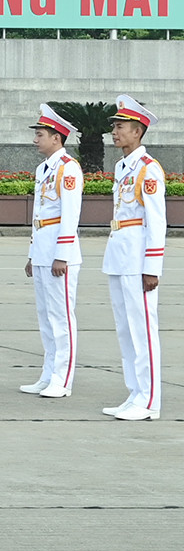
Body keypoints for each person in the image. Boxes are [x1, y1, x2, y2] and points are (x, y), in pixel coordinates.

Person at [103, 94, 164, 421]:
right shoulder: (123, 166)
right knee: (126, 329)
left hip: (139, 259)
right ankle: (135, 393)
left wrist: (152, 267)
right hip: (120, 255)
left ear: (138, 131)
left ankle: (150, 400)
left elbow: (157, 221)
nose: (115, 131)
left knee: (143, 329)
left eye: (121, 126)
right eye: (115, 125)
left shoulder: (148, 169)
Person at [22, 104, 82, 401]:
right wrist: (33, 253)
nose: (36, 139)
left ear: (57, 138)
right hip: (44, 249)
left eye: (41, 134)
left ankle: (63, 378)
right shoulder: (43, 169)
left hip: (60, 253)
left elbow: (70, 214)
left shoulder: (68, 168)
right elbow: (39, 214)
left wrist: (63, 254)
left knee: (62, 317)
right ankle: (48, 374)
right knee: (46, 317)